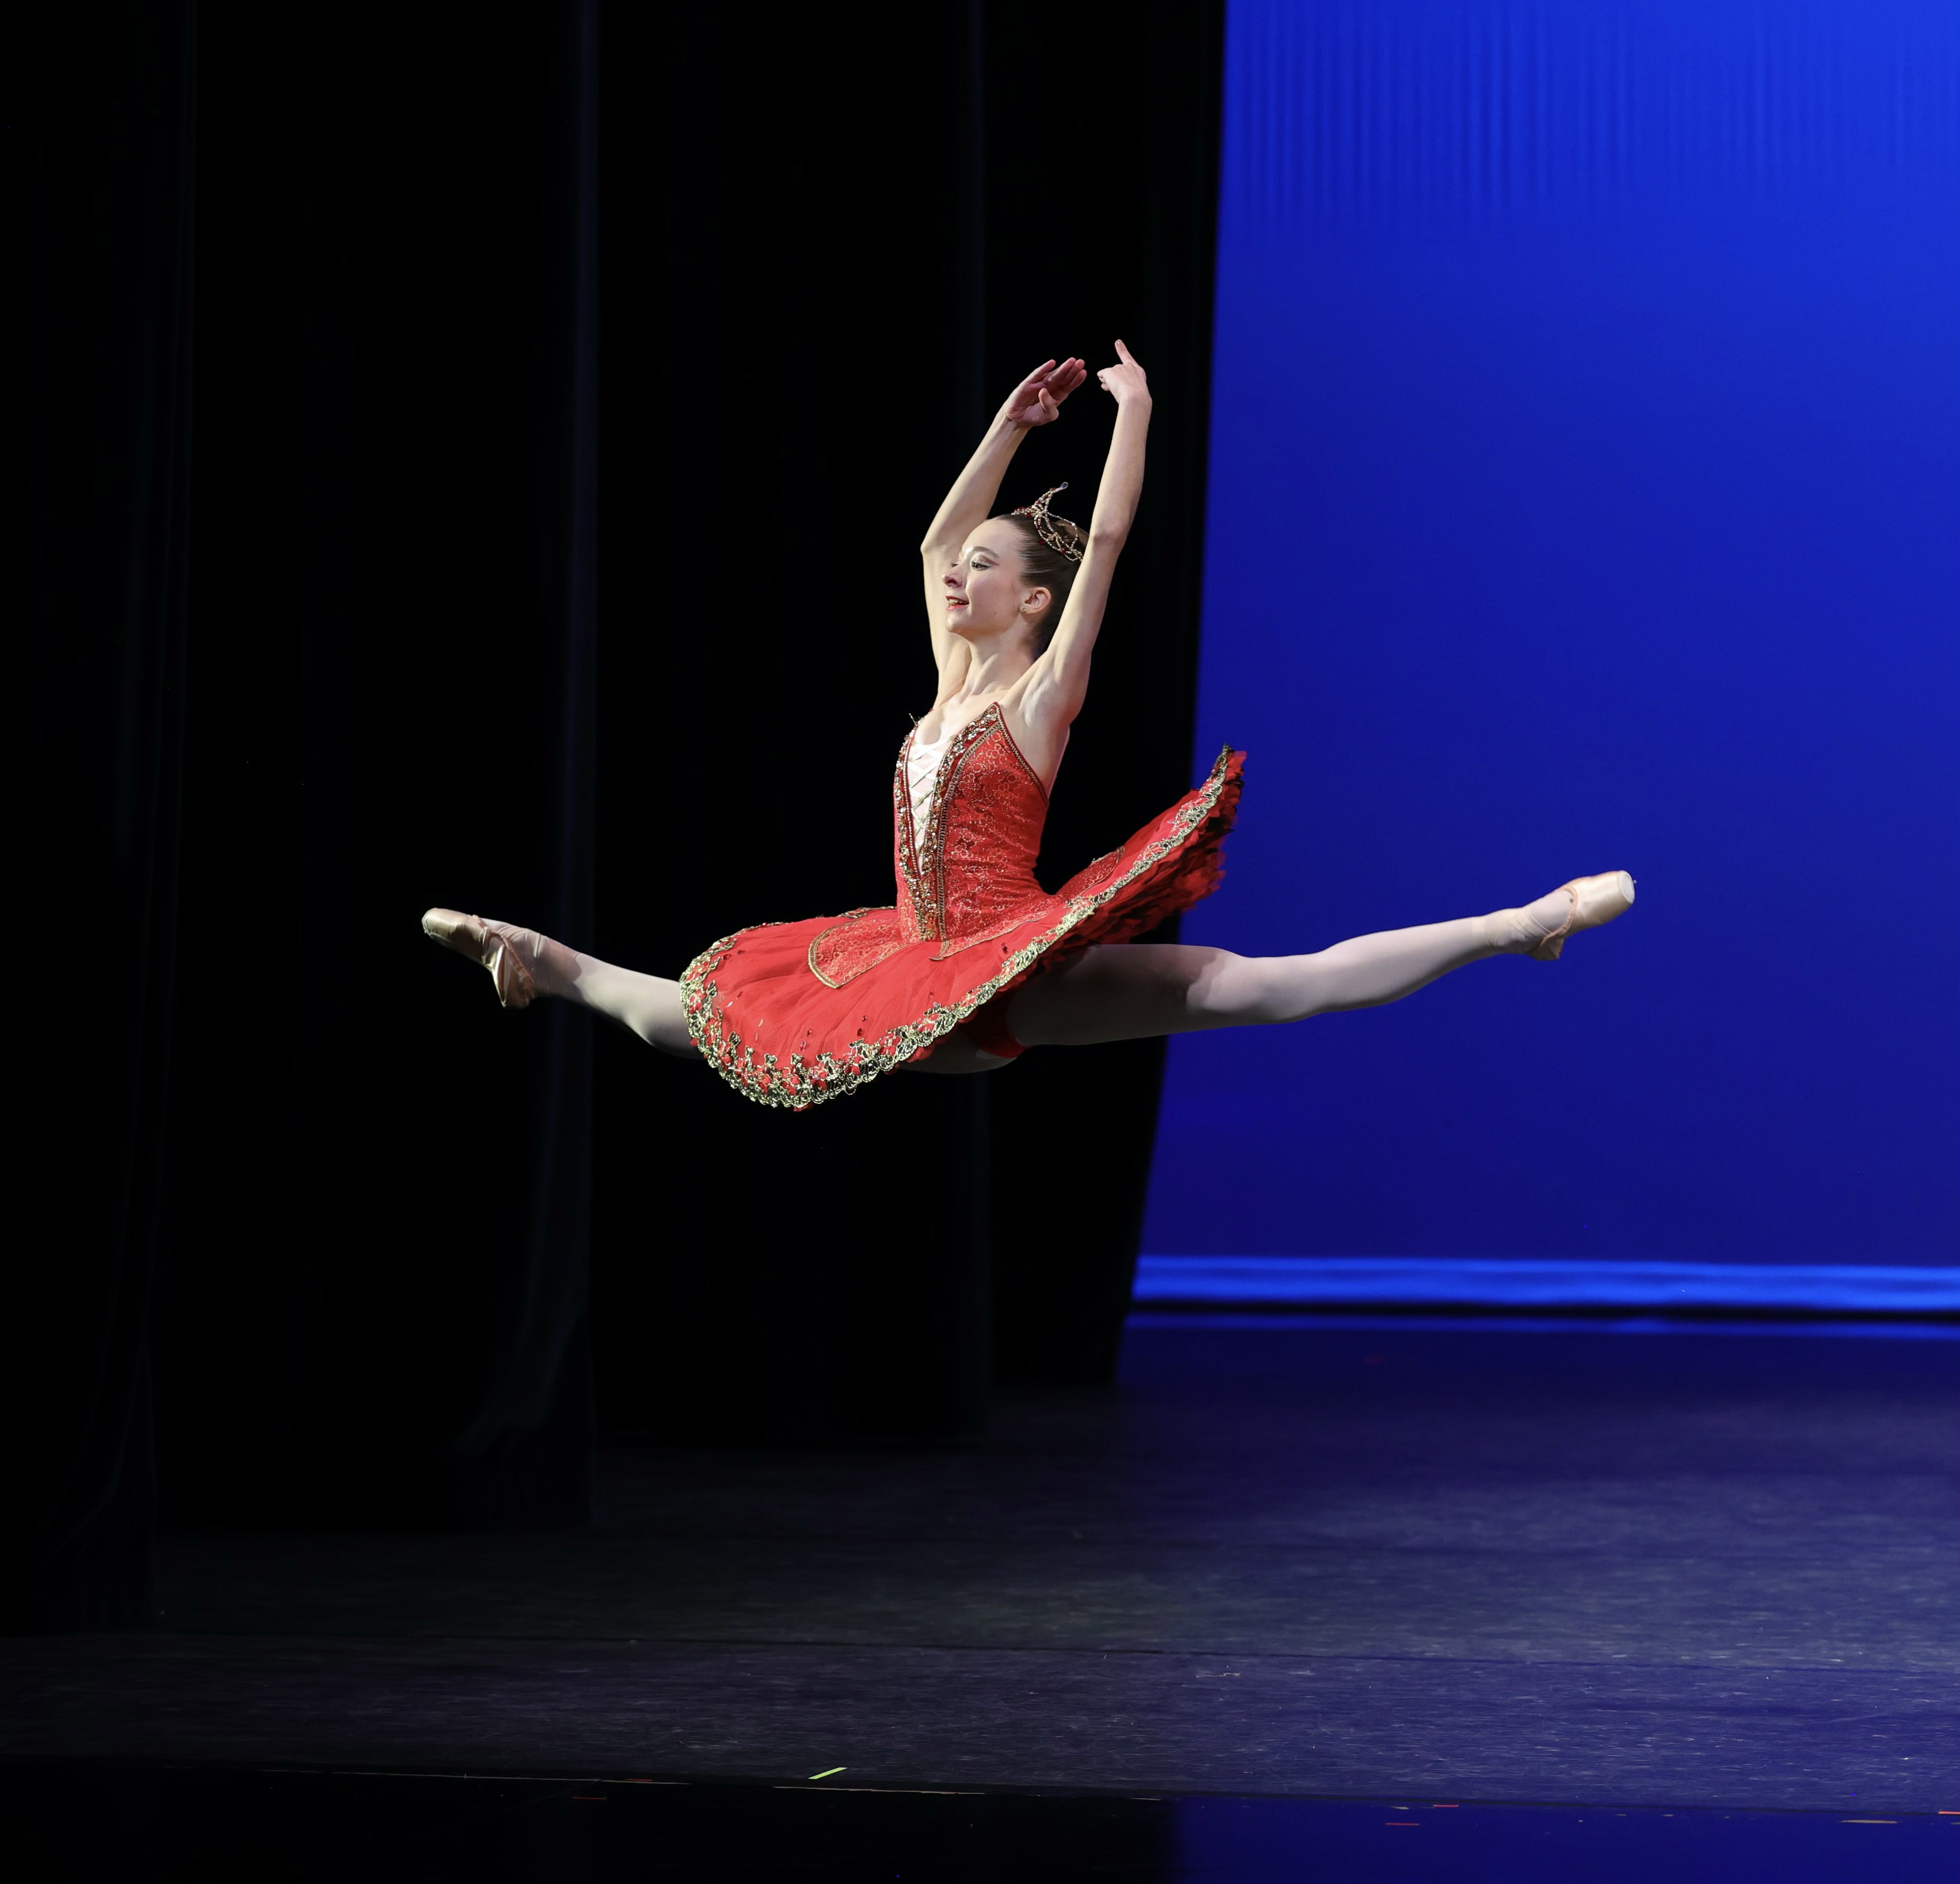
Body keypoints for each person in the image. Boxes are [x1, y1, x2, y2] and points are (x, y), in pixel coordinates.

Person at [424, 345, 1633, 1109]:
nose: (958, 578)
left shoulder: (1035, 696)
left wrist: (1133, 411)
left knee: (1266, 988)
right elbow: (928, 543)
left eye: (985, 569)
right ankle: (544, 961)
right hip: (906, 967)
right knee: (702, 1014)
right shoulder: (949, 683)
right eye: (962, 570)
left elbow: (1103, 539)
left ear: (1033, 602)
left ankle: (1516, 925)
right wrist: (1009, 427)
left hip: (1010, 967)